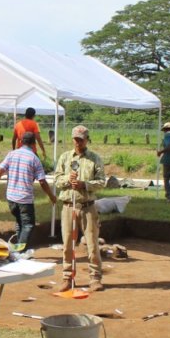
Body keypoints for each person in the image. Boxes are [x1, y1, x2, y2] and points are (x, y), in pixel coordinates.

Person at [53, 125, 105, 292]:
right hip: (69, 206)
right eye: (75, 139)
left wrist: (85, 184)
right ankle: (67, 277)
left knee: (92, 243)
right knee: (68, 244)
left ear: (87, 140)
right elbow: (56, 179)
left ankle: (95, 278)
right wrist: (69, 179)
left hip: (88, 207)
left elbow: (101, 182)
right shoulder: (65, 157)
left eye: (81, 139)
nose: (78, 142)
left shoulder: (95, 159)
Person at [0, 132, 57, 248]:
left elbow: (0, 170)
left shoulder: (12, 154)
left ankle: (19, 246)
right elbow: (42, 181)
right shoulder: (34, 159)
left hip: (11, 197)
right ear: (33, 144)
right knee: (28, 225)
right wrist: (51, 196)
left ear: (20, 142)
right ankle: (20, 250)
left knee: (20, 222)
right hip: (24, 199)